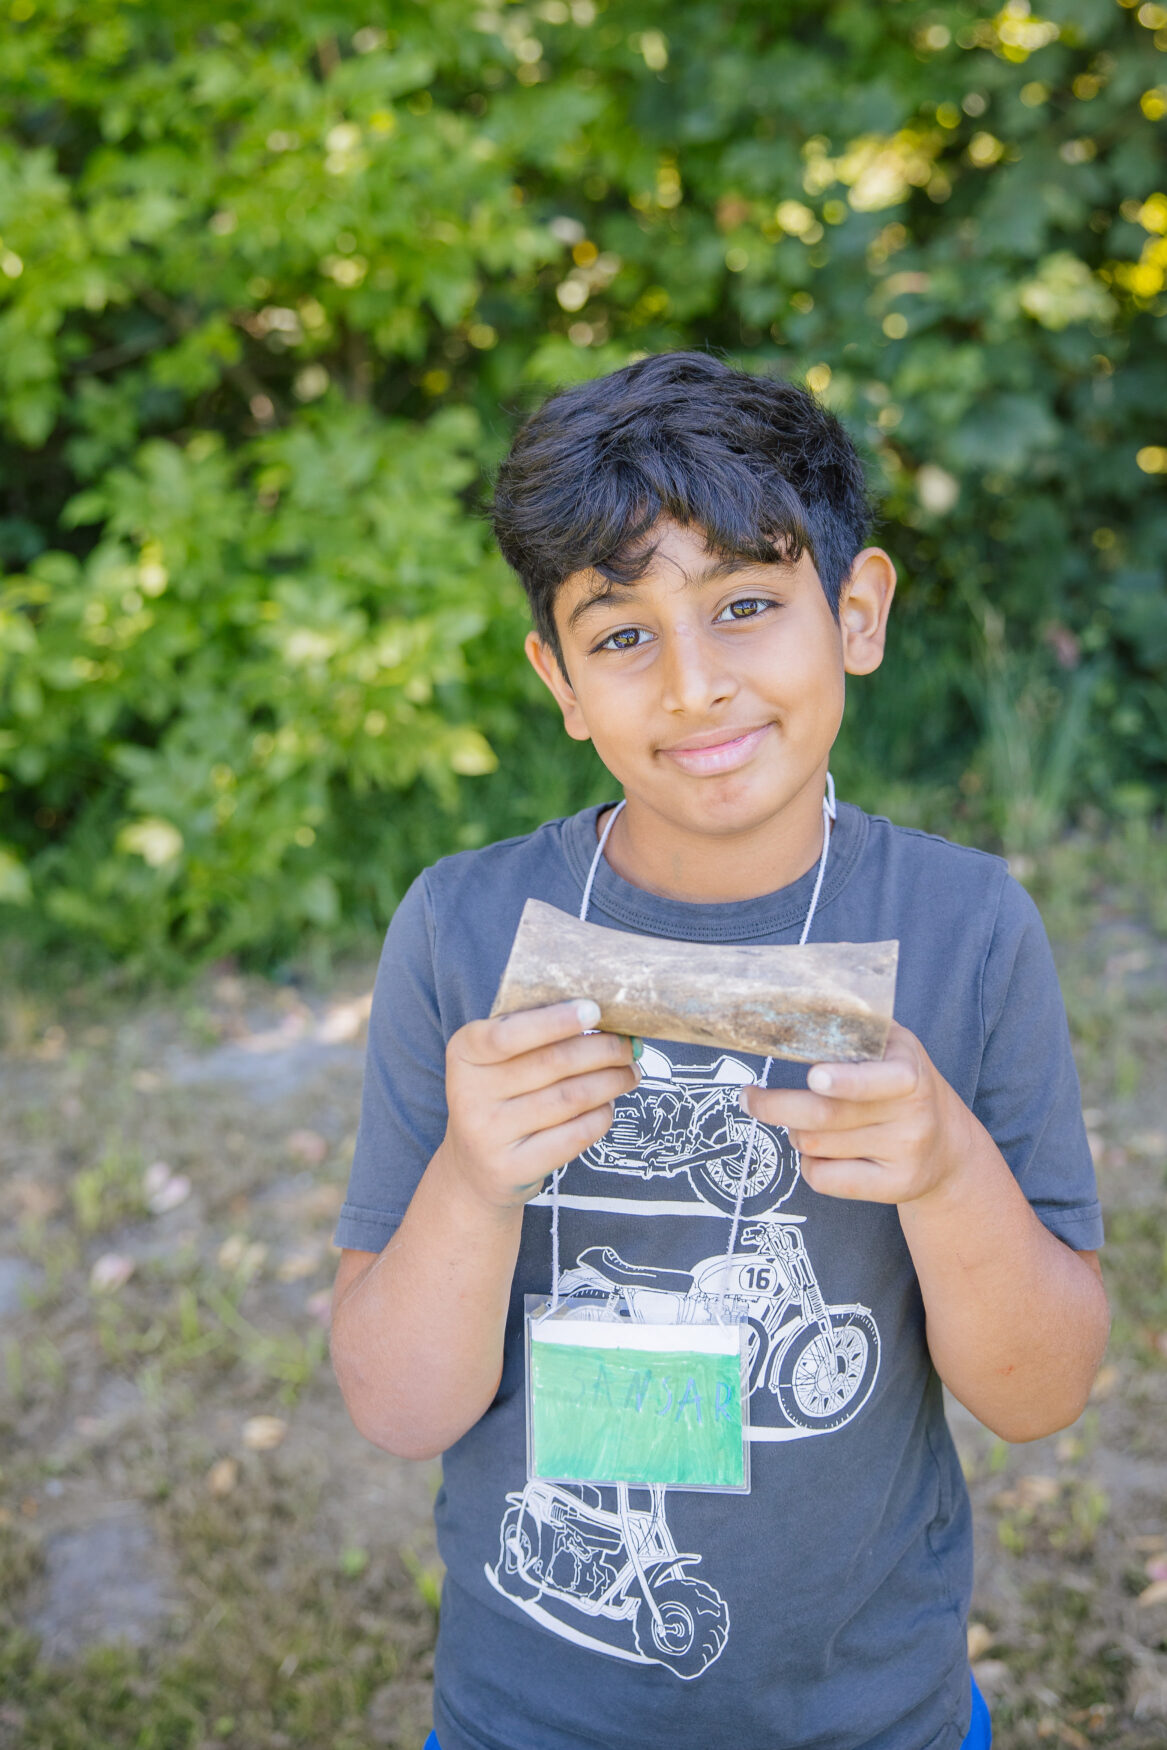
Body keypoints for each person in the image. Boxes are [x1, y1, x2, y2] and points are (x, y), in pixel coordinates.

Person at [329, 352, 1108, 1750]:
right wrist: (472, 1178)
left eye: (746, 606)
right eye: (623, 635)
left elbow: (1041, 1393)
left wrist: (943, 1174)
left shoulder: (967, 925)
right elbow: (394, 1403)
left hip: (874, 1717)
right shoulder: (463, 926)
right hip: (527, 1716)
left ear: (855, 612)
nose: (696, 685)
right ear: (559, 678)